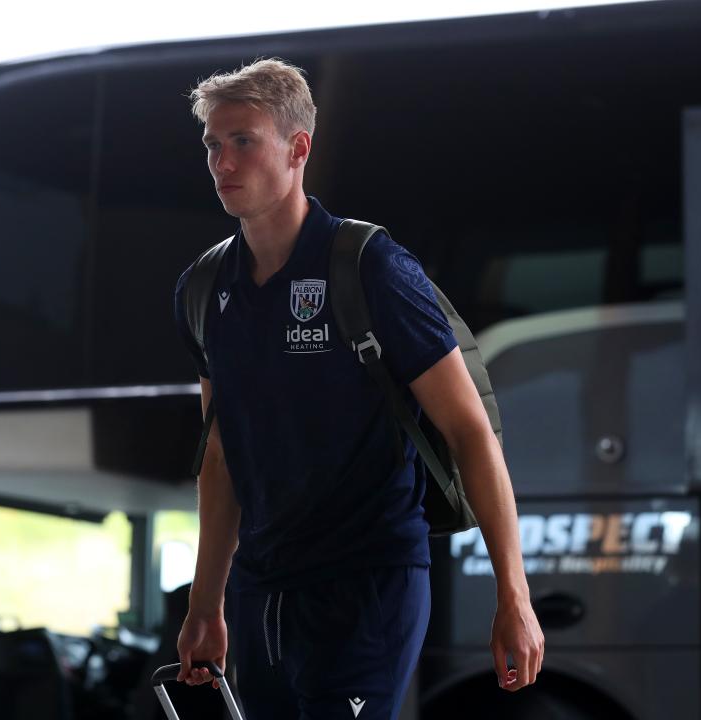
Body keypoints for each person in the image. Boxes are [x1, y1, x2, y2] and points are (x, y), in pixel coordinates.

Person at [173, 58, 544, 720]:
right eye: (212, 145)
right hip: (262, 590)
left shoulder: (368, 266)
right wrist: (207, 604)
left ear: (298, 148)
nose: (221, 161)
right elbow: (220, 456)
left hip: (368, 582)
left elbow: (468, 432)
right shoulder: (203, 290)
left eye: (242, 141)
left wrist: (513, 595)